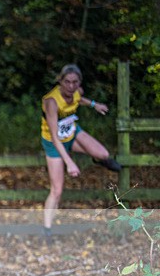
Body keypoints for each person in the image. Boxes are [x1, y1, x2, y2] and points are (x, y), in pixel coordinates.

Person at [41, 63, 121, 236]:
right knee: (57, 190)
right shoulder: (51, 102)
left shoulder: (77, 91)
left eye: (75, 82)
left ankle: (96, 159)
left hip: (72, 133)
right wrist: (69, 162)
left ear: (79, 82)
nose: (71, 86)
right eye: (67, 82)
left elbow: (79, 99)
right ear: (60, 81)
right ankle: (47, 230)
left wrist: (94, 104)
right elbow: (55, 137)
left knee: (104, 154)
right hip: (54, 142)